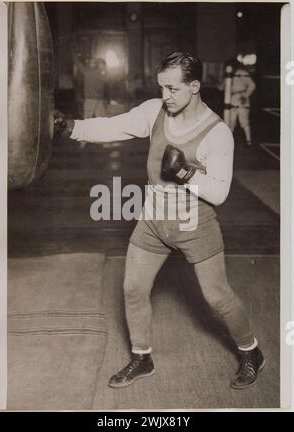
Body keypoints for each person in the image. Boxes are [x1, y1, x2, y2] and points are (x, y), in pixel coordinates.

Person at [54, 52, 265, 390]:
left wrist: (185, 173)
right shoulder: (156, 111)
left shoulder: (217, 132)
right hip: (153, 220)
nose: (165, 96)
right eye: (161, 87)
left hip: (195, 224)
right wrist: (71, 128)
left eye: (172, 89)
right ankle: (142, 357)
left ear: (194, 87)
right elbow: (113, 125)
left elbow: (220, 192)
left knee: (217, 297)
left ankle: (251, 352)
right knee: (133, 288)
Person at [229, 62, 256, 146]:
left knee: (244, 120)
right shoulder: (229, 74)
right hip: (232, 99)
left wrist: (245, 95)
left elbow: (252, 85)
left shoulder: (243, 73)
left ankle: (248, 141)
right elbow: (223, 86)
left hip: (242, 99)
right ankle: (229, 141)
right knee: (231, 121)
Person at [74, 54, 108, 119]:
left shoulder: (89, 71)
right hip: (95, 98)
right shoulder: (96, 72)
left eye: (94, 63)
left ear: (96, 64)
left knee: (90, 118)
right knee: (99, 118)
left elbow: (79, 65)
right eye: (91, 62)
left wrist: (75, 58)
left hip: (94, 99)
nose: (92, 64)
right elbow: (79, 65)